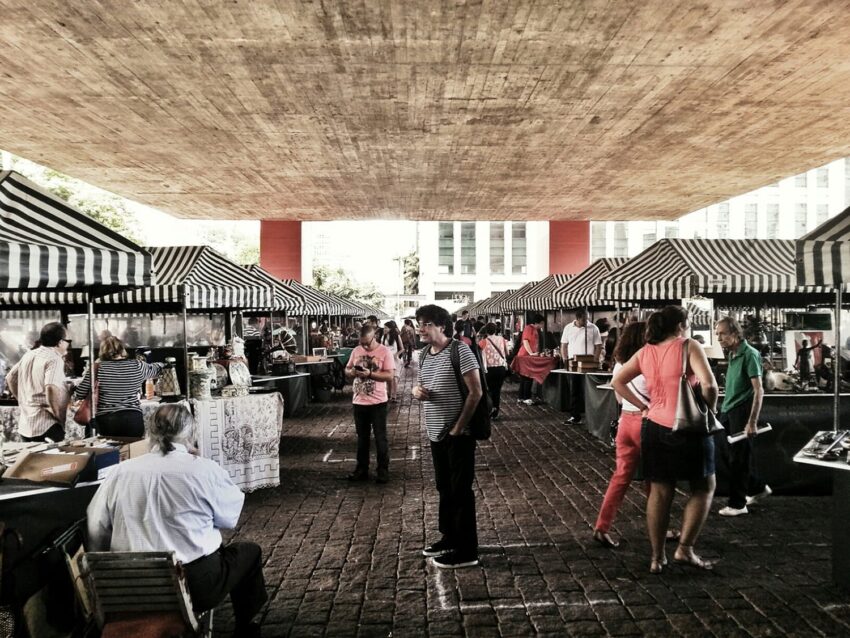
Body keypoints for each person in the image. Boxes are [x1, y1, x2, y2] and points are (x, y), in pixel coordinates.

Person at [86, 404, 266, 637]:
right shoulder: (204, 470)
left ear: (150, 432)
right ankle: (245, 629)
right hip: (196, 583)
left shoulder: (121, 472)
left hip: (130, 587)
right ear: (190, 433)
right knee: (248, 552)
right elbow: (229, 518)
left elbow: (96, 525)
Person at [613, 305, 718, 574]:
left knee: (660, 491)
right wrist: (710, 409)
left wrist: (643, 406)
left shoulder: (646, 351)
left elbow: (618, 382)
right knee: (704, 485)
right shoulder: (689, 346)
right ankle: (685, 548)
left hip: (654, 425)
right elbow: (709, 385)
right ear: (681, 325)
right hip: (689, 427)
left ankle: (657, 557)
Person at [412, 304, 483, 569]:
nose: (421, 328)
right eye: (420, 323)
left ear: (442, 326)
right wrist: (417, 393)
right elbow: (422, 386)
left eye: (427, 323)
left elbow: (476, 392)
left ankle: (467, 550)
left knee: (461, 490)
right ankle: (450, 536)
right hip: (436, 433)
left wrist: (458, 428)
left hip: (458, 434)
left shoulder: (460, 350)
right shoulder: (424, 354)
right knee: (444, 487)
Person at [714, 317, 771, 517]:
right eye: (717, 333)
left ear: (735, 334)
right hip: (728, 408)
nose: (718, 337)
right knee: (726, 453)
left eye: (722, 333)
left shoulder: (750, 354)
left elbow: (759, 390)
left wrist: (752, 421)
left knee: (739, 458)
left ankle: (738, 504)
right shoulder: (732, 354)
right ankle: (757, 487)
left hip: (742, 410)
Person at [73, 336, 165, 438]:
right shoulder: (137, 365)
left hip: (107, 420)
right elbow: (159, 367)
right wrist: (162, 364)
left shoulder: (97, 368)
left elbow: (80, 393)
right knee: (133, 451)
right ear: (122, 349)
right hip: (133, 419)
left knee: (109, 452)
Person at [6, 322, 71, 442]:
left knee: (33, 460)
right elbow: (51, 388)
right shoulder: (54, 358)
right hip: (46, 424)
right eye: (68, 341)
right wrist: (59, 416)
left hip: (26, 425)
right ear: (60, 342)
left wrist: (22, 400)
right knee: (55, 460)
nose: (68, 345)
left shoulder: (29, 354)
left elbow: (10, 377)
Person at [345, 325, 395, 483]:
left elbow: (389, 375)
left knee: (380, 438)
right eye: (362, 343)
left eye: (367, 343)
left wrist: (371, 374)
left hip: (378, 402)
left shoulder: (385, 351)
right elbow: (347, 369)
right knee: (362, 438)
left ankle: (383, 470)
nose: (365, 346)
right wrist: (352, 372)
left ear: (375, 336)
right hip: (359, 401)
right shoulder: (356, 351)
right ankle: (361, 469)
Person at [560, 309, 603, 424]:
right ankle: (575, 416)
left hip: (589, 365)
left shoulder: (593, 328)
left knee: (589, 391)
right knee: (574, 390)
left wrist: (595, 361)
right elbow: (564, 345)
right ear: (578, 318)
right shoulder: (568, 328)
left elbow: (598, 346)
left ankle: (593, 417)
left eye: (587, 318)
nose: (586, 321)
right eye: (584, 319)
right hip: (573, 365)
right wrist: (565, 360)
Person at [478, 322, 509, 420]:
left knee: (489, 390)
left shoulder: (482, 342)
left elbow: (479, 357)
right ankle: (496, 411)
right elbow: (507, 353)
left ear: (486, 331)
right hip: (500, 368)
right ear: (496, 330)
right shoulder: (502, 339)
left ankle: (489, 410)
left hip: (489, 370)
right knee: (497, 390)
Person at [515, 314, 545, 405]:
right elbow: (525, 341)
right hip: (525, 356)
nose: (542, 325)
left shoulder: (535, 329)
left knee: (525, 377)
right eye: (542, 323)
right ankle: (526, 398)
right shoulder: (529, 328)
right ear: (537, 323)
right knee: (528, 377)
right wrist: (531, 353)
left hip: (527, 356)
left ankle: (521, 397)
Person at [380, 320, 404, 402]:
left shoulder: (397, 336)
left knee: (394, 378)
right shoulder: (383, 337)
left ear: (390, 328)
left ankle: (394, 396)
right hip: (386, 359)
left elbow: (402, 349)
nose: (384, 329)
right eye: (384, 328)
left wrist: (396, 354)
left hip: (395, 360)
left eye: (386, 328)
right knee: (388, 378)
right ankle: (388, 394)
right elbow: (381, 348)